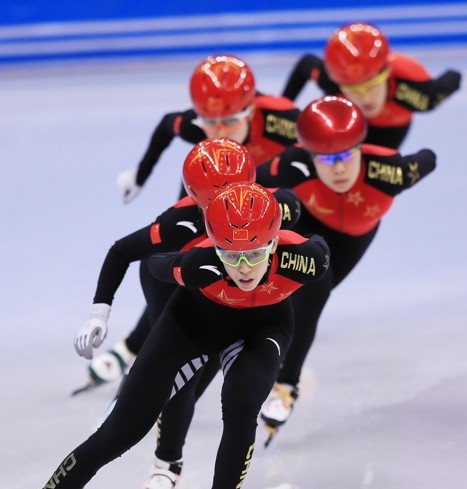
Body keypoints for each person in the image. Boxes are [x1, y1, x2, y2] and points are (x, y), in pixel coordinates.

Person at [0, 182, 329, 489]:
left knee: (241, 406)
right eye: (231, 256)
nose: (244, 268)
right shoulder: (199, 262)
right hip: (193, 324)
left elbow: (320, 248)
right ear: (214, 246)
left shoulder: (304, 259)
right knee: (119, 432)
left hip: (264, 328)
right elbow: (153, 266)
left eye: (255, 254)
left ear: (273, 243)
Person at [78, 53, 302, 392]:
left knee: (263, 261)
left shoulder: (284, 121)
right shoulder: (200, 147)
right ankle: (135, 345)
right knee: (181, 266)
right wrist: (140, 175)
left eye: (229, 121)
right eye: (209, 123)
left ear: (252, 111)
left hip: (259, 196)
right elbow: (168, 125)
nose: (217, 131)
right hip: (206, 184)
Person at [255, 95, 437, 439]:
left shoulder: (389, 172)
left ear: (360, 148)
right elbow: (247, 183)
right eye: (326, 159)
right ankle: (286, 385)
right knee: (312, 284)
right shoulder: (293, 165)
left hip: (354, 236)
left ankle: (281, 372)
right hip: (308, 223)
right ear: (309, 155)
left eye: (346, 156)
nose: (338, 168)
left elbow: (428, 159)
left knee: (309, 297)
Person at [282, 22, 461, 150]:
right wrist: (283, 108)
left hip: (389, 130)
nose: (365, 99)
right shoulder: (331, 79)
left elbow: (454, 77)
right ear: (339, 85)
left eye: (371, 86)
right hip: (348, 118)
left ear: (386, 75)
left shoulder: (420, 95)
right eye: (353, 90)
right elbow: (305, 64)